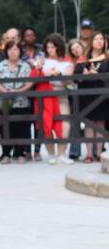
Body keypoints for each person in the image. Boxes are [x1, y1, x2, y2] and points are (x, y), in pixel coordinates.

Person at [32, 33, 74, 165]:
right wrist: (42, 71)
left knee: (64, 123)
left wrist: (59, 74)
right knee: (46, 123)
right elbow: (33, 76)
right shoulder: (41, 60)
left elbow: (68, 80)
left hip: (60, 93)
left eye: (53, 47)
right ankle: (51, 153)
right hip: (44, 94)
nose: (50, 50)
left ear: (59, 47)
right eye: (48, 47)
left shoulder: (67, 61)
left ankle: (62, 153)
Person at [0, 40, 34, 163]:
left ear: (20, 51)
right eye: (10, 50)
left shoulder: (25, 66)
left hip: (21, 102)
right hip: (5, 102)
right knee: (5, 128)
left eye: (16, 49)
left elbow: (30, 82)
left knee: (21, 128)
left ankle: (20, 153)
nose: (13, 52)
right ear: (6, 52)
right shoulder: (1, 65)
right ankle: (6, 154)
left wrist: (19, 90)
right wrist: (4, 91)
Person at [79, 32, 108, 163]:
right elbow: (76, 73)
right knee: (89, 124)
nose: (99, 41)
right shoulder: (84, 58)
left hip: (102, 95)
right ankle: (89, 154)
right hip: (87, 94)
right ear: (91, 42)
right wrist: (83, 73)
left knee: (100, 123)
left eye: (101, 39)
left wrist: (96, 74)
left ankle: (99, 153)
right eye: (96, 39)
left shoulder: (107, 58)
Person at [19, 26, 44, 160]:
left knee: (38, 121)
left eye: (33, 35)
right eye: (28, 35)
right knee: (26, 120)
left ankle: (38, 150)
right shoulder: (19, 50)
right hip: (25, 89)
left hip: (39, 87)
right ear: (23, 37)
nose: (31, 37)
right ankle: (27, 149)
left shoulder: (41, 50)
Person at [67, 39, 89, 161]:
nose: (76, 50)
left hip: (91, 94)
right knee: (74, 123)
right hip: (74, 95)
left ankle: (96, 150)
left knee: (92, 123)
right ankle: (74, 151)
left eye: (77, 47)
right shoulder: (70, 62)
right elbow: (70, 80)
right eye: (73, 49)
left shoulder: (90, 57)